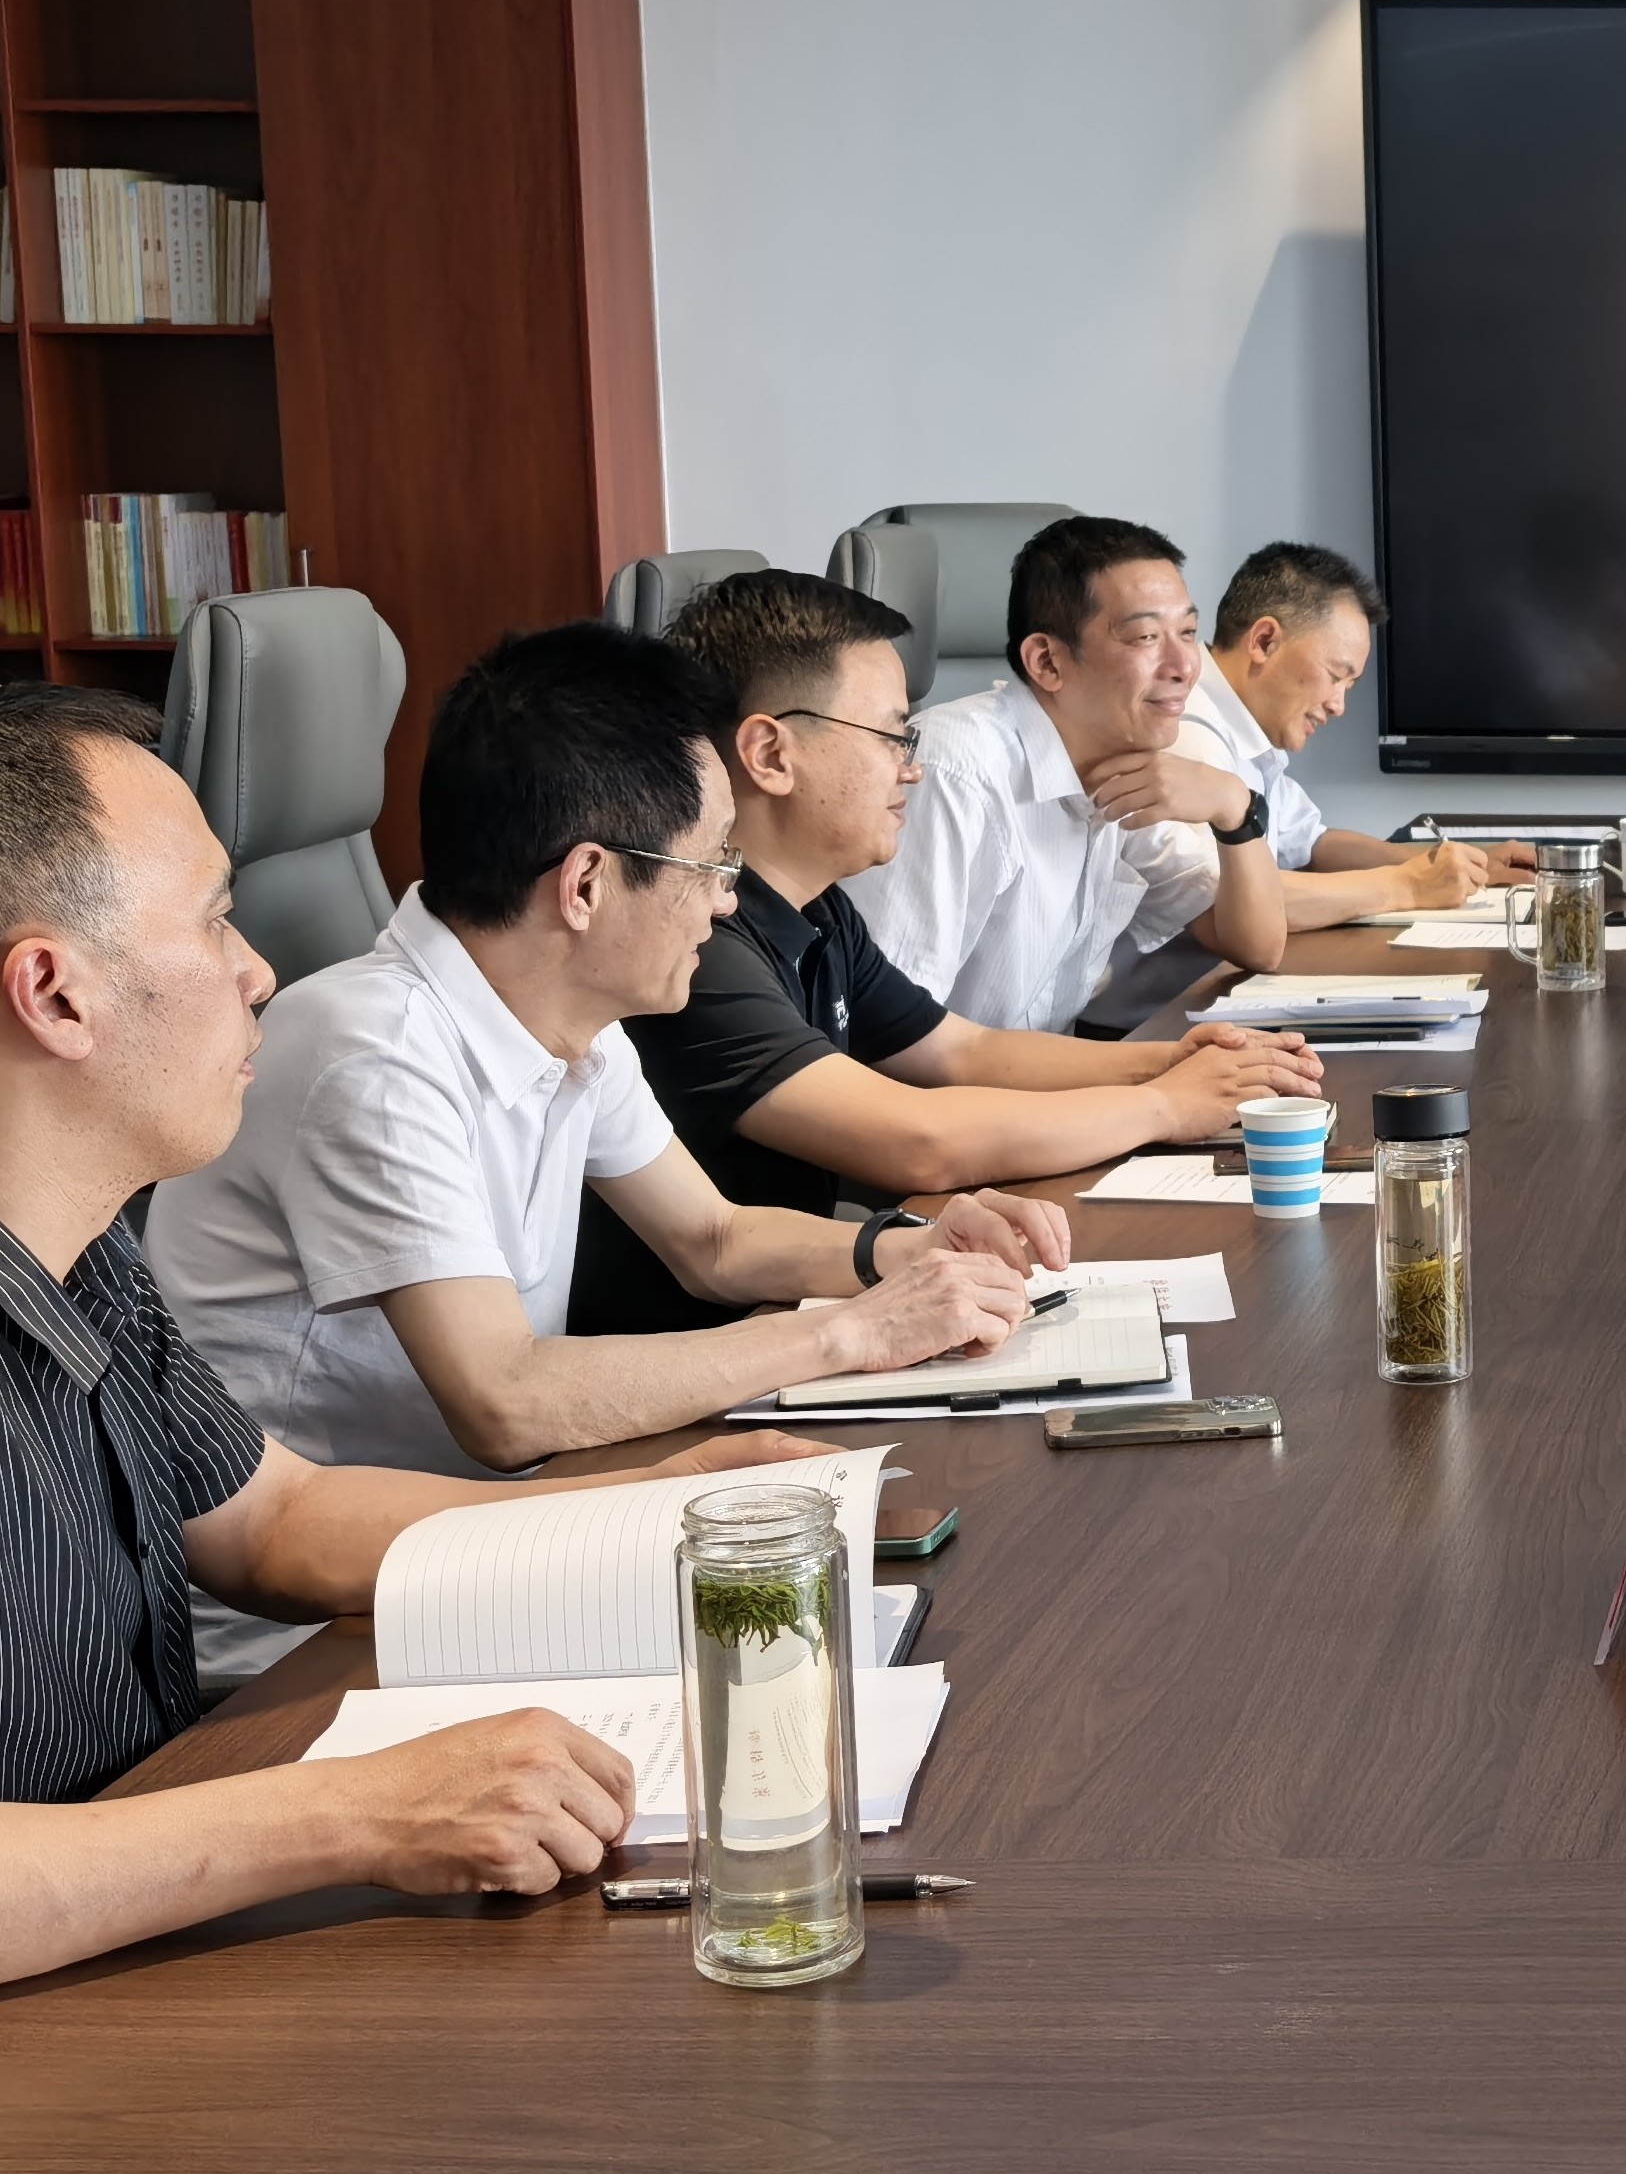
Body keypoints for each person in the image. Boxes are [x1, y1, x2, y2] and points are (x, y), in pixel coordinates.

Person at [0, 684, 825, 2174]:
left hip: (12, 2013)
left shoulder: (53, 1235)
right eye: (213, 919)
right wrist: (350, 1815)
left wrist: (645, 1512)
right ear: (53, 994)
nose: (259, 971)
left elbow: (272, 1519)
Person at [155, 625, 1064, 1674]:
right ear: (585, 883)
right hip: (318, 1638)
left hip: (501, 1539)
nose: (728, 898)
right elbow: (505, 1401)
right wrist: (850, 1333)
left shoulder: (565, 1014)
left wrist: (902, 1253)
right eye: (711, 862)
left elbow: (712, 1239)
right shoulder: (370, 1050)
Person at [569, 570, 1325, 1333]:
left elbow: (961, 1049)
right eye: (891, 735)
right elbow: (919, 1142)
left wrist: (1169, 1061)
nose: (912, 766)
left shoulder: (818, 909)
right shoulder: (698, 945)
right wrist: (1167, 1103)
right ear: (771, 753)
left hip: (792, 1307)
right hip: (703, 1348)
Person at [850, 515, 1287, 1033]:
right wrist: (1151, 1071)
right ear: (1047, 663)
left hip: (1044, 1074)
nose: (1184, 666)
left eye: (1188, 633)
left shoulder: (1118, 769)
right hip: (948, 1084)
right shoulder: (953, 772)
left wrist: (1235, 808)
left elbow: (1257, 946)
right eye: (1146, 636)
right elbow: (889, 1037)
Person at [1178, 541, 1534, 932]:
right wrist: (1408, 885)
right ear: (1264, 641)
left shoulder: (1242, 726)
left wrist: (1461, 862)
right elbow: (1226, 898)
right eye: (1335, 675)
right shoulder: (1188, 729)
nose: (1338, 706)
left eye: (1349, 684)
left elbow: (1311, 844)